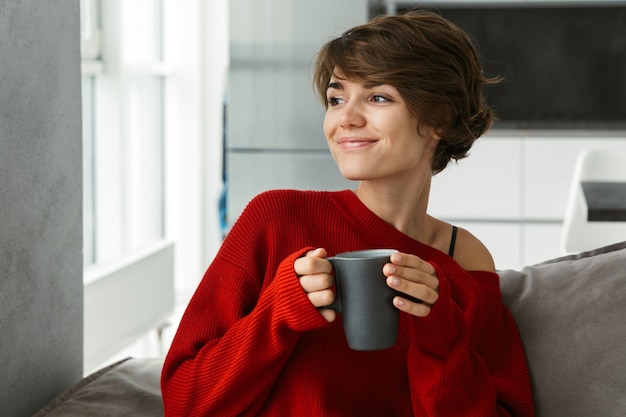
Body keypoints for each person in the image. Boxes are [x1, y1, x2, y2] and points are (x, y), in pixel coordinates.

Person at [161, 9, 535, 416]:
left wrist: (441, 333)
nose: (345, 118)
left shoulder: (464, 260)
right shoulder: (276, 217)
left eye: (377, 97)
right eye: (336, 98)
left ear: (438, 119)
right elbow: (185, 401)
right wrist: (278, 313)